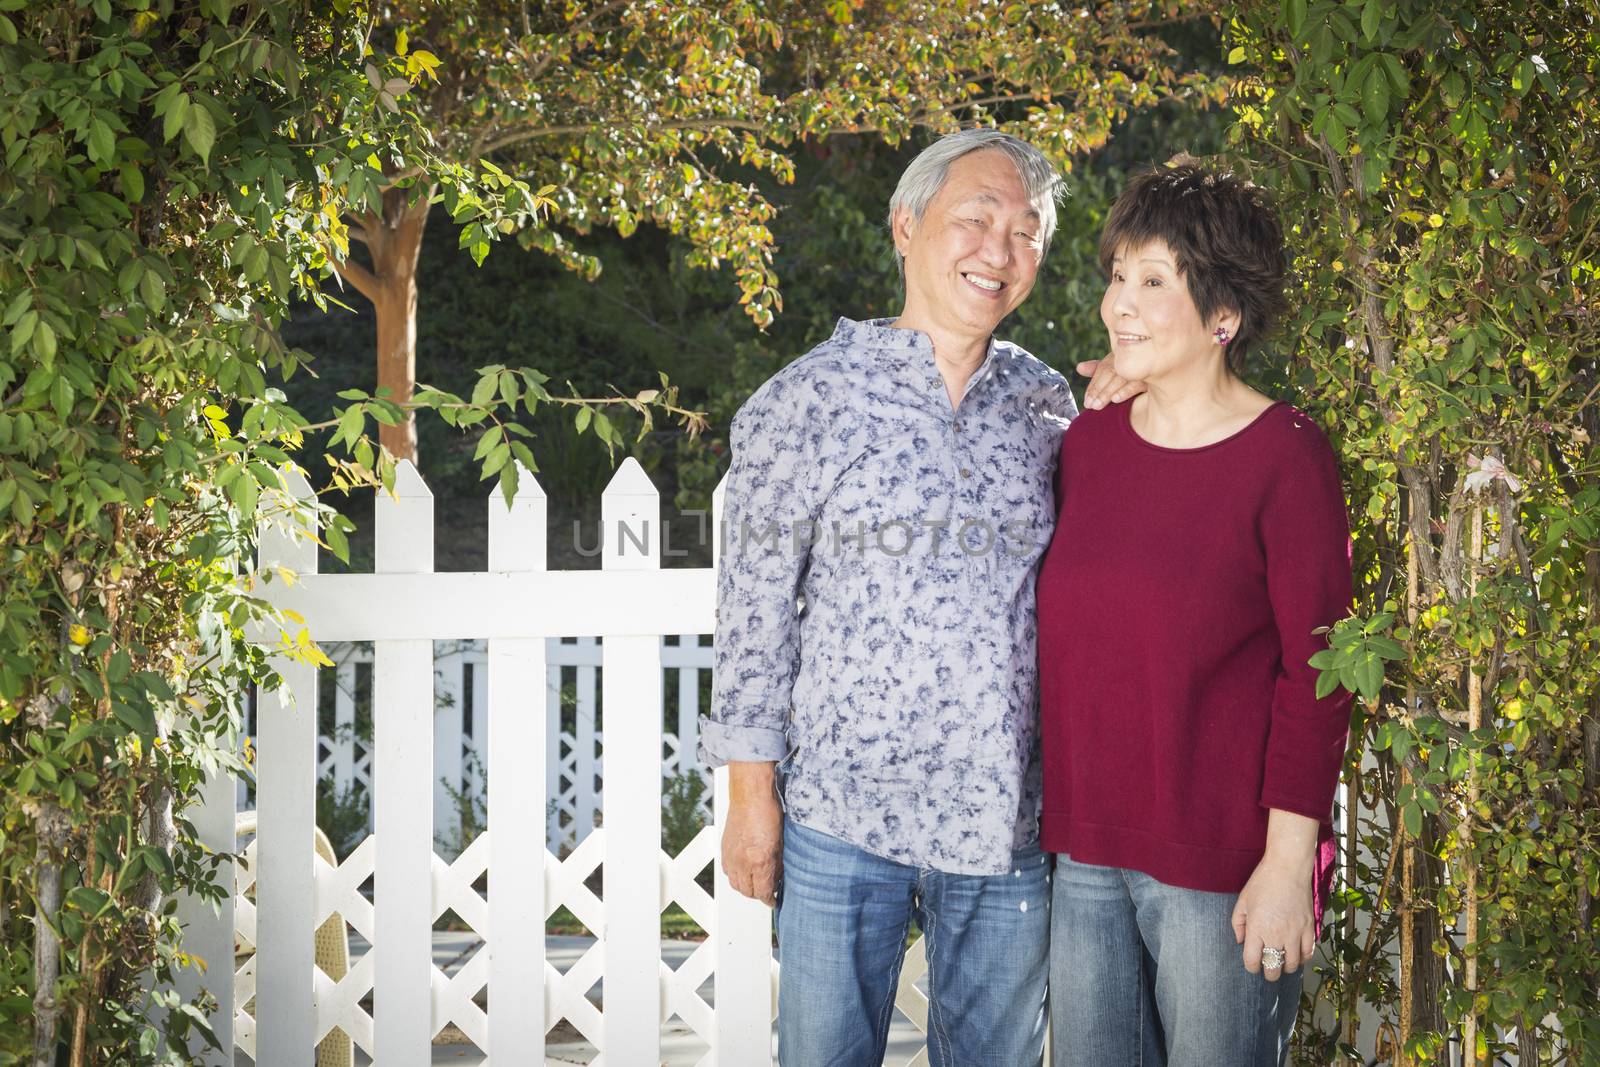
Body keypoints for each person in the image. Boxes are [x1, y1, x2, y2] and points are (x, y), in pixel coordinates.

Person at [699, 128, 1139, 1067]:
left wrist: (1152, 394)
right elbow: (753, 621)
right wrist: (751, 798)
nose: (1000, 249)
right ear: (906, 225)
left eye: (1026, 232)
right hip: (840, 815)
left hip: (1001, 819)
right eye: (975, 218)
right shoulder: (805, 399)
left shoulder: (1046, 404)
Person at [1035, 162, 1354, 1066]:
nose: (1116, 304)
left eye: (1152, 281)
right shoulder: (1089, 443)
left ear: (1223, 318)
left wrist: (1291, 865)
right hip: (1086, 857)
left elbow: (1319, 675)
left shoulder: (1286, 459)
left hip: (1225, 872)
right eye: (1117, 274)